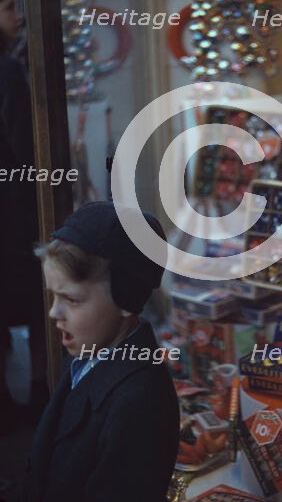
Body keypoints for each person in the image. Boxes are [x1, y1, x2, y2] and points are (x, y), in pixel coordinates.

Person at [24, 201, 180, 502]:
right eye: (53, 296)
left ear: (127, 297)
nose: (55, 312)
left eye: (72, 300)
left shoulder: (139, 403)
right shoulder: (85, 354)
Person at [0, 0, 47, 436]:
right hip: (11, 212)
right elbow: (22, 146)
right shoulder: (8, 70)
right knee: (35, 302)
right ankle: (39, 390)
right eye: (10, 6)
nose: (17, 16)